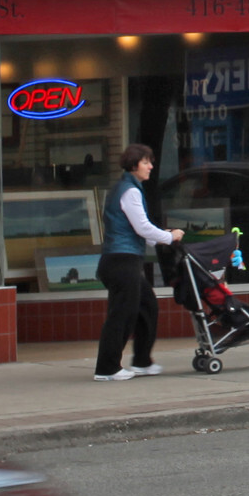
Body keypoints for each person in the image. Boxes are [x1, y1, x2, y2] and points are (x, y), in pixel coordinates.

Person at [94, 143, 183, 382]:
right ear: (134, 165)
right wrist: (169, 237)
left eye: (150, 162)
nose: (150, 166)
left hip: (121, 260)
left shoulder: (125, 188)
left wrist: (159, 237)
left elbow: (135, 228)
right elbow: (142, 226)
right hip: (122, 262)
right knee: (122, 314)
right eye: (146, 162)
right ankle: (107, 368)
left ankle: (142, 361)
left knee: (147, 307)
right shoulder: (130, 191)